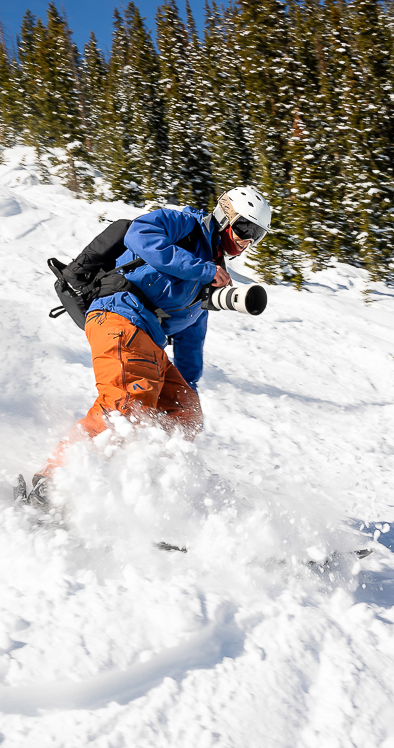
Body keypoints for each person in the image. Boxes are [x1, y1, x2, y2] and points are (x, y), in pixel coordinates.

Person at [20, 186, 272, 507]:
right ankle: (52, 483)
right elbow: (141, 234)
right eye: (245, 228)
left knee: (184, 412)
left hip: (148, 340)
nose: (247, 240)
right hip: (120, 315)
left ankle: (154, 492)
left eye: (257, 235)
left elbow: (191, 338)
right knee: (124, 408)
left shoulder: (209, 277)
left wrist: (186, 388)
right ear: (225, 216)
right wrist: (204, 270)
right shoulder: (186, 226)